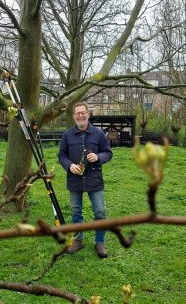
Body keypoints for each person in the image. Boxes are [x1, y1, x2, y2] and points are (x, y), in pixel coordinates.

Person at [58, 102, 113, 258]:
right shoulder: (67, 135)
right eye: (77, 113)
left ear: (88, 114)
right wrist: (69, 166)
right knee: (76, 211)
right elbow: (61, 156)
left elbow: (108, 153)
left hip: (94, 178)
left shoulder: (98, 134)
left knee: (100, 211)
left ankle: (100, 242)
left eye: (83, 113)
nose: (80, 115)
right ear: (74, 116)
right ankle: (78, 240)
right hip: (74, 179)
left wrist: (98, 157)